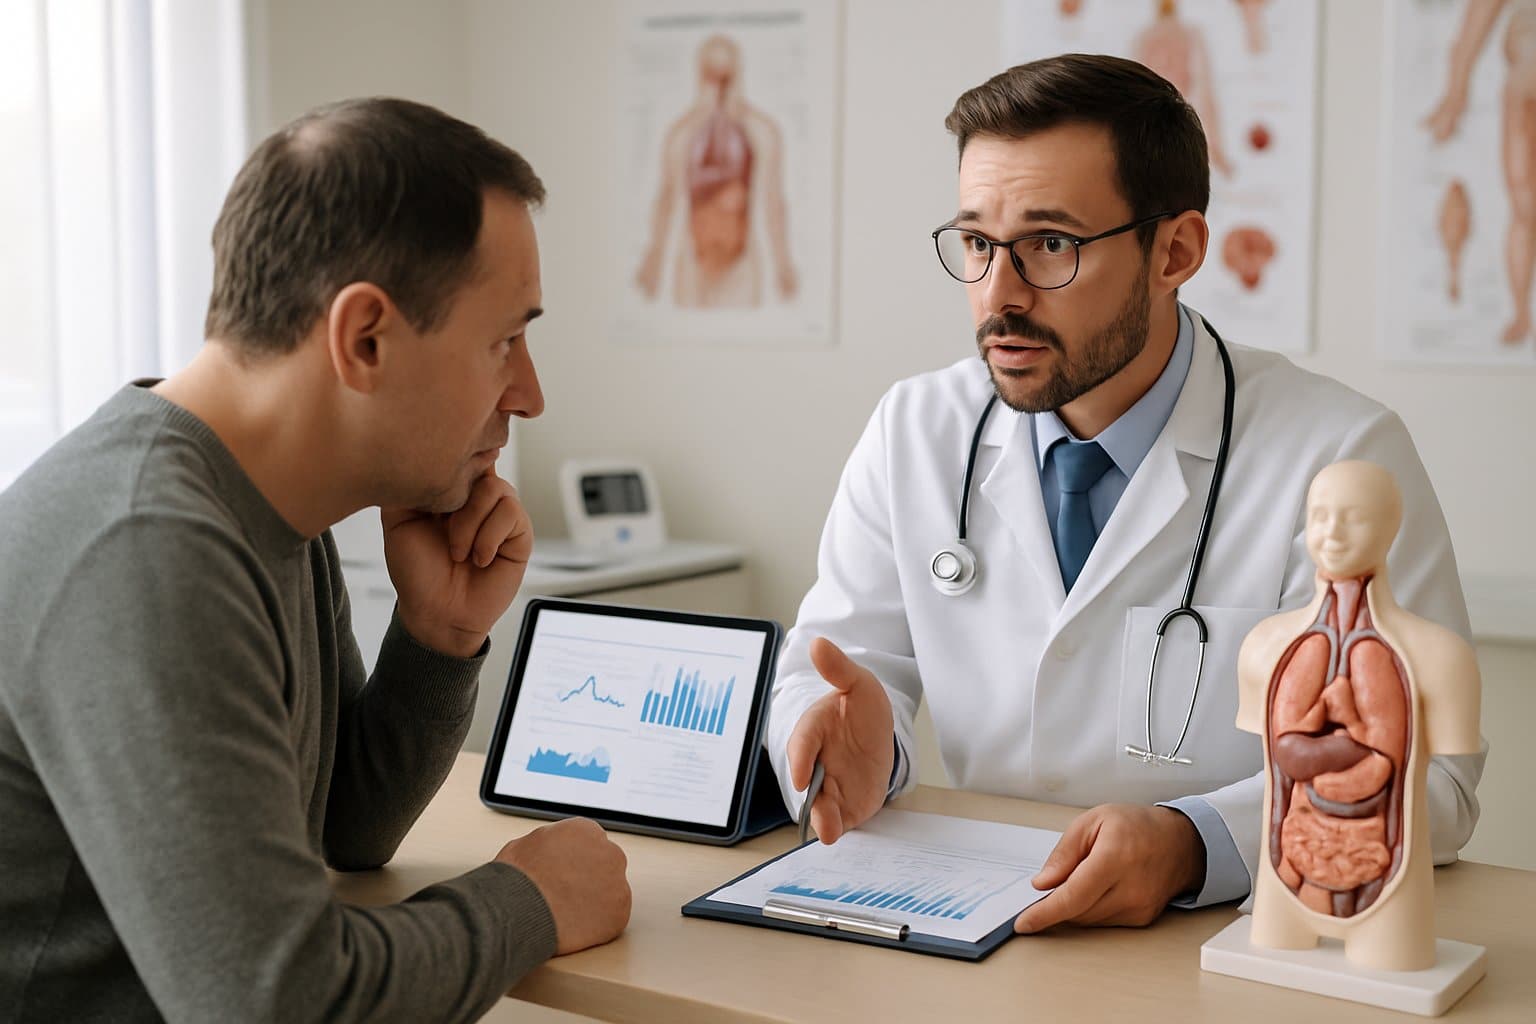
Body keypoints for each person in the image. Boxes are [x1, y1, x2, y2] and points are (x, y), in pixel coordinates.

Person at [764, 55, 1485, 934]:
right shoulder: (915, 427)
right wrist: (839, 740)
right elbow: (837, 666)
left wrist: (1194, 843)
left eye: (1050, 245)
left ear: (1174, 251)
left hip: (1221, 943)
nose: (999, 295)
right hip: (974, 927)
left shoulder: (1337, 457)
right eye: (979, 243)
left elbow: (1432, 783)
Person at [0, 98, 631, 1022]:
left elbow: (347, 826)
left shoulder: (260, 507)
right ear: (364, 338)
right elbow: (275, 1002)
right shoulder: (146, 547)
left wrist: (437, 638)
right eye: (504, 341)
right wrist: (528, 902)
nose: (529, 395)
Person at [633, 33, 797, 308]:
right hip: (693, 265)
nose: (720, 86)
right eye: (712, 75)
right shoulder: (682, 134)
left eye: (726, 76)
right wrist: (654, 259)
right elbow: (666, 198)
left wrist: (783, 264)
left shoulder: (761, 131)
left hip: (741, 267)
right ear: (700, 74)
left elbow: (774, 201)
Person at [1426, 0, 1536, 343]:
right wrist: (1455, 94)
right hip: (1526, 87)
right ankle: (1521, 312)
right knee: (1525, 207)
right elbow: (1477, 22)